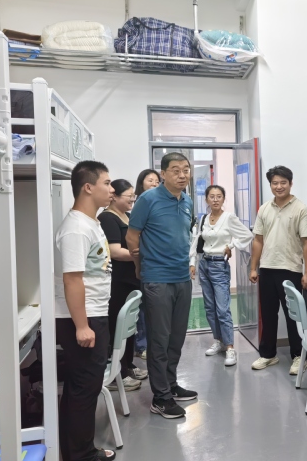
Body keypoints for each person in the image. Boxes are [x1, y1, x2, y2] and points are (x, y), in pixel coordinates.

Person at [127, 153, 197, 419]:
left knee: (177, 337)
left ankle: (170, 384)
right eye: (176, 170)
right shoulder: (147, 199)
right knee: (159, 339)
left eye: (186, 170)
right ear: (163, 173)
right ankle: (160, 398)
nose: (182, 175)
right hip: (157, 278)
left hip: (182, 277)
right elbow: (132, 236)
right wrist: (140, 266)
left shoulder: (187, 200)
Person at [54, 160, 116, 461]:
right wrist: (81, 325)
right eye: (107, 183)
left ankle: (74, 450)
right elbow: (72, 279)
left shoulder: (91, 223)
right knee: (84, 388)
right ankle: (82, 454)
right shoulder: (76, 229)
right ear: (88, 187)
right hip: (83, 317)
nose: (112, 189)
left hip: (93, 313)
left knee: (82, 387)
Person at [249, 165, 307, 374]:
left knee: (294, 316)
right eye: (275, 183)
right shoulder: (264, 209)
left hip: (291, 270)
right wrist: (253, 267)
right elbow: (258, 240)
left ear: (290, 183)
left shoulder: (300, 209)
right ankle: (268, 354)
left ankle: (299, 356)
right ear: (270, 185)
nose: (279, 186)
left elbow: (306, 243)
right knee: (268, 315)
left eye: (283, 182)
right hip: (267, 268)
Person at [189, 185, 254, 366]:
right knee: (209, 308)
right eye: (212, 196)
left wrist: (230, 246)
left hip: (219, 265)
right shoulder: (204, 218)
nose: (215, 199)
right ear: (206, 199)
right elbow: (196, 241)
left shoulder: (229, 218)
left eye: (219, 196)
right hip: (204, 264)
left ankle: (230, 347)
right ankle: (218, 341)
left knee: (223, 309)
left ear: (223, 199)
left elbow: (247, 235)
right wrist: (192, 262)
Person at [98, 179, 148, 392]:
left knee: (129, 326)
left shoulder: (126, 216)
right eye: (129, 196)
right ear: (115, 197)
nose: (132, 200)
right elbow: (115, 251)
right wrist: (141, 255)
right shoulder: (107, 218)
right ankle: (117, 373)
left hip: (131, 280)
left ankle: (127, 365)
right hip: (118, 281)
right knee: (116, 327)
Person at [133, 169, 161, 360]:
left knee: (152, 310)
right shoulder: (140, 204)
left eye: (157, 181)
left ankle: (150, 344)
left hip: (156, 265)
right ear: (141, 183)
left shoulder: (159, 203)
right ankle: (141, 345)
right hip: (142, 264)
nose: (154, 183)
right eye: (150, 180)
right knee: (141, 308)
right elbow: (134, 237)